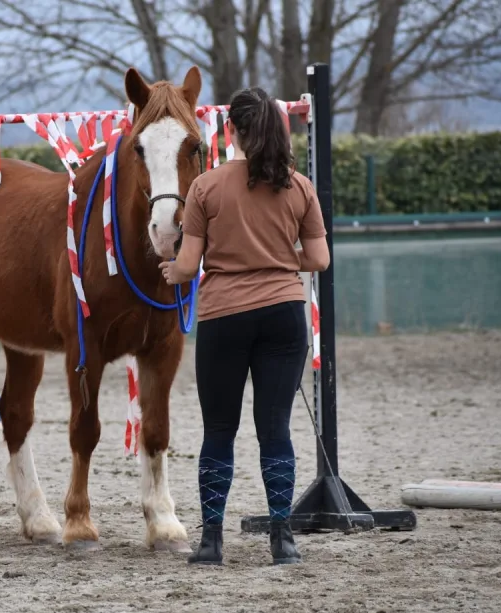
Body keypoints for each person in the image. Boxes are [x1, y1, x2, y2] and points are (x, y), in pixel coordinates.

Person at [159, 86, 330, 566]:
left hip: (224, 317)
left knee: (219, 430)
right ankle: (283, 541)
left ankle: (211, 542)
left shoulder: (206, 187)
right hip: (283, 316)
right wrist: (276, 258)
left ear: (230, 127)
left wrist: (173, 269)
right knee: (275, 428)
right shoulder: (298, 187)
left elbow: (189, 266)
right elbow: (318, 258)